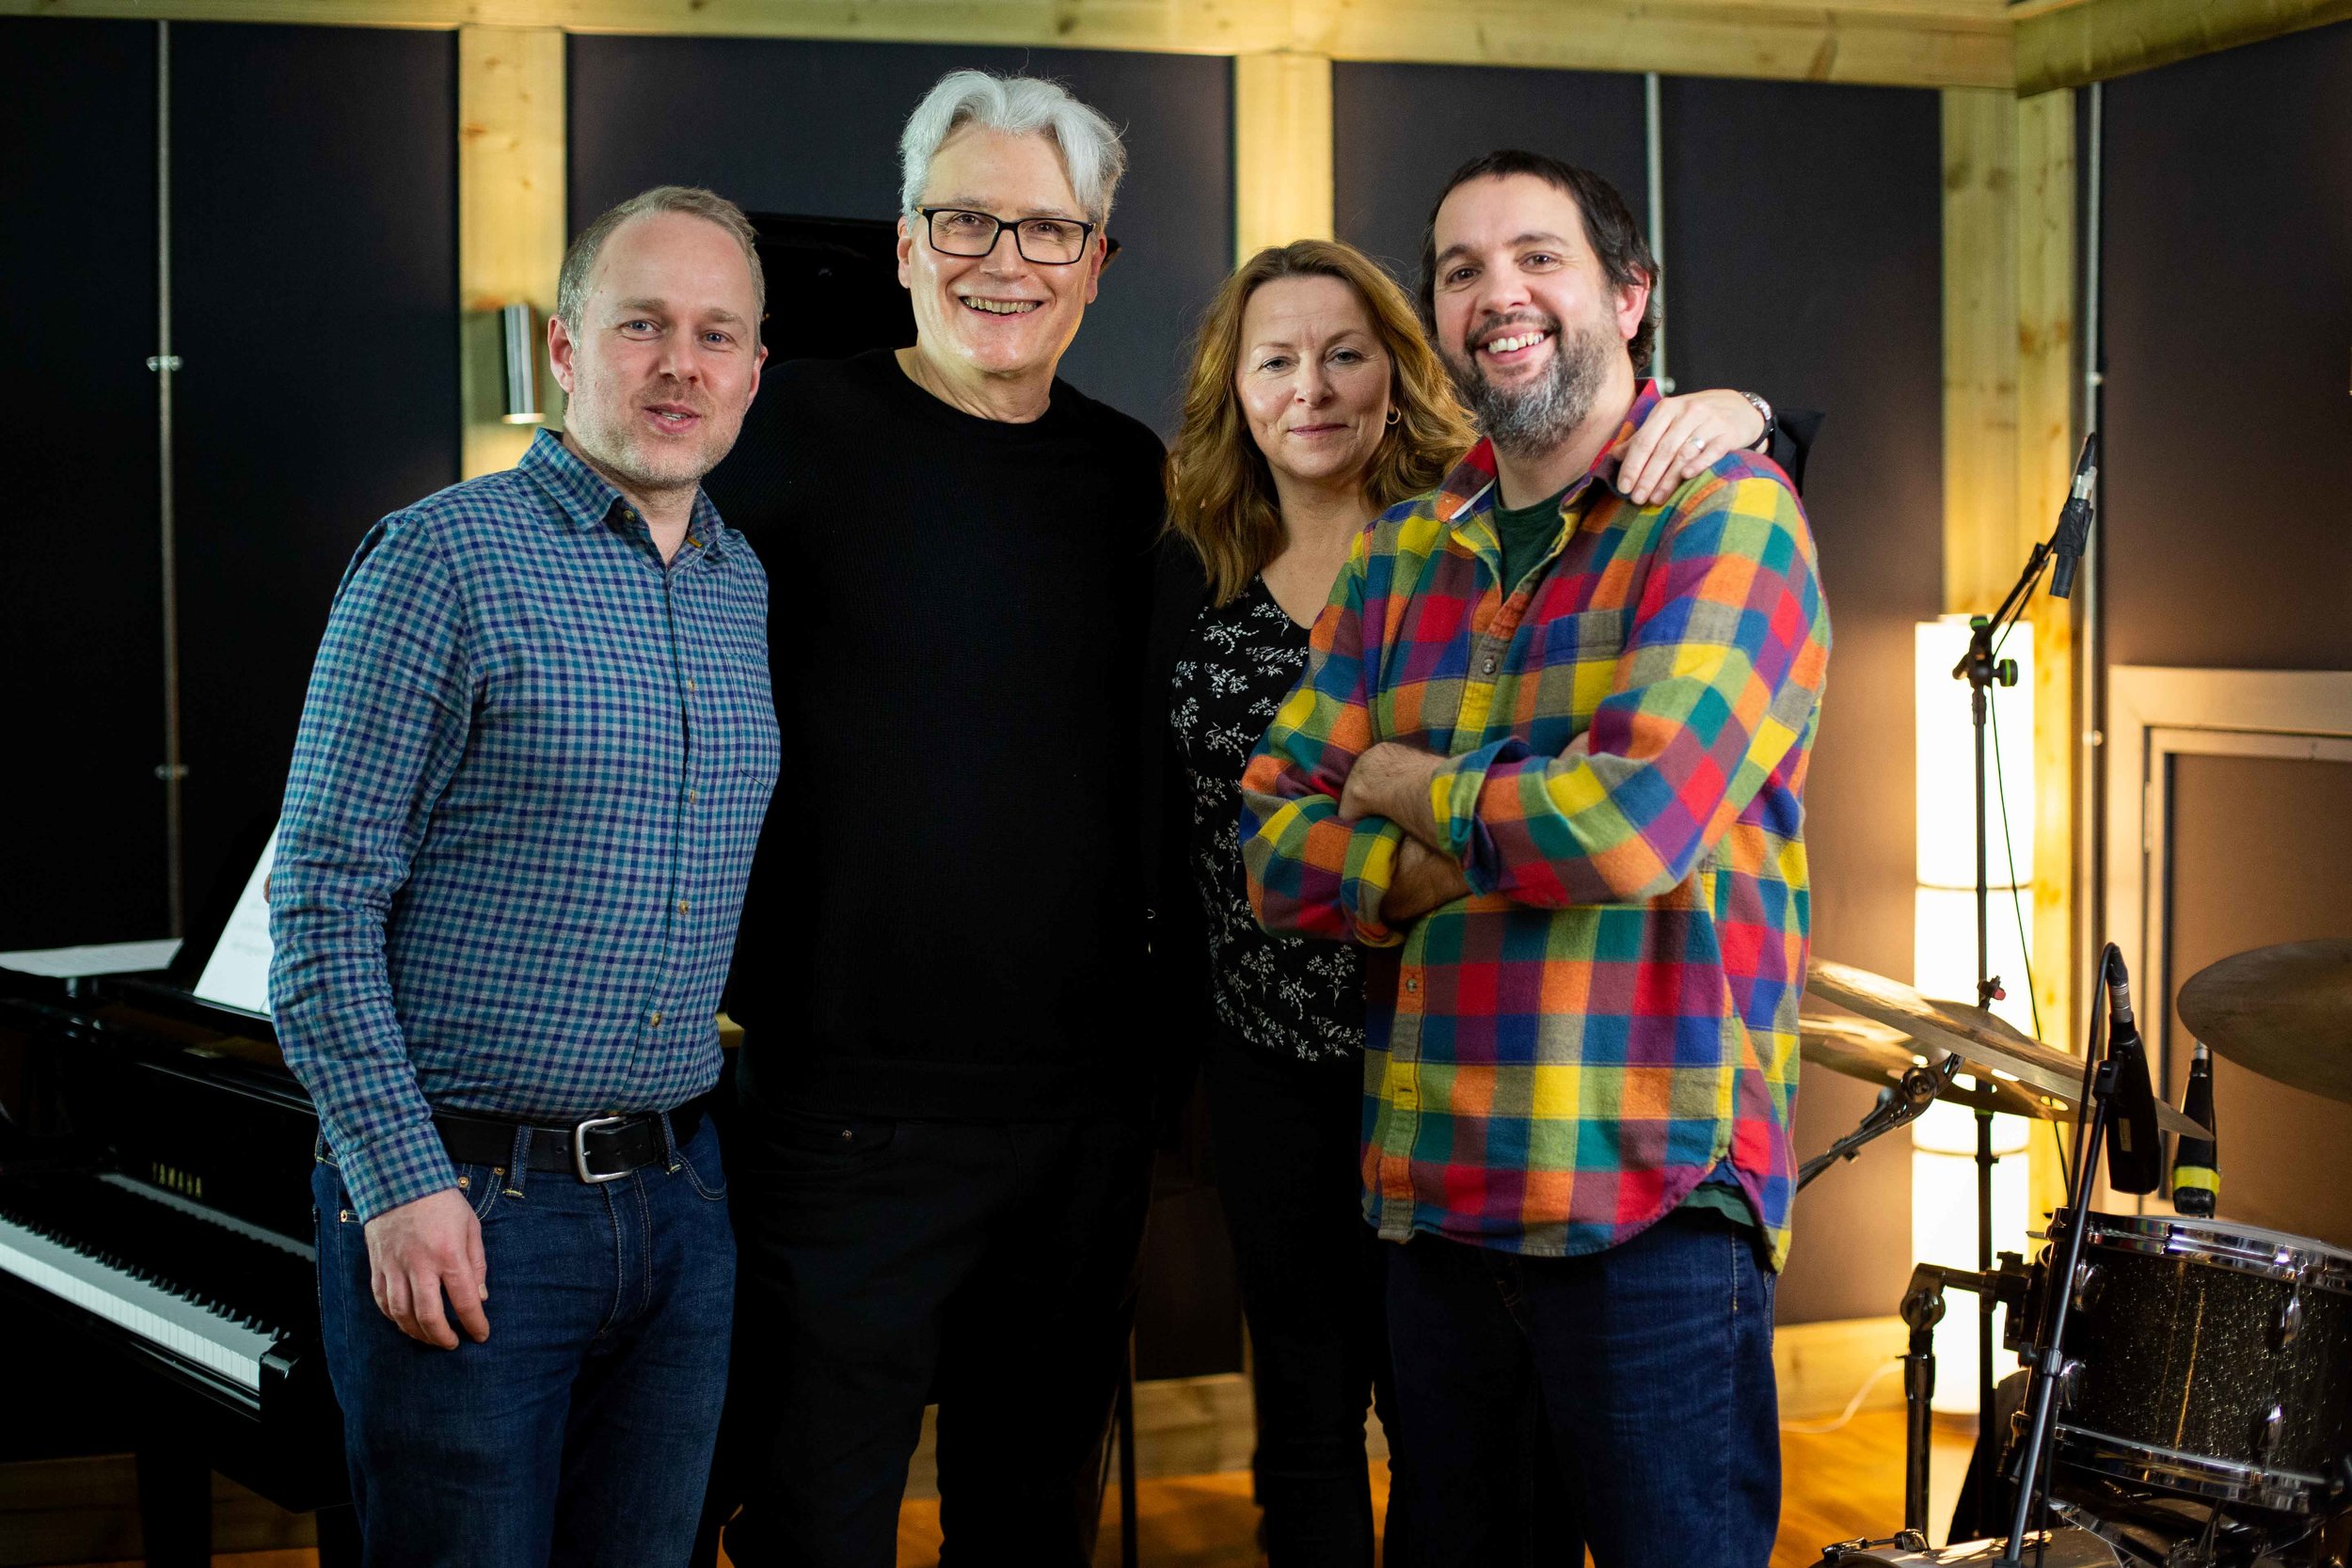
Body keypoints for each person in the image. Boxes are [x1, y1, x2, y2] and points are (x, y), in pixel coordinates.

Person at [1155, 236, 1796, 1565]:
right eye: (1277, 361)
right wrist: (1486, 840)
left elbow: (1629, 813)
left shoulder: (1461, 536)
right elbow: (1259, 847)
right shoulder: (1199, 570)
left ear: (1401, 370)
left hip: (1478, 1067)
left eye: (1345, 355)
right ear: (1237, 388)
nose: (1313, 389)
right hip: (1278, 1054)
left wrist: (1756, 415)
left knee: (1517, 1456)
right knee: (1323, 1428)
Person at [268, 184, 776, 1565]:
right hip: (471, 1202)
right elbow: (312, 911)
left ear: (752, 371)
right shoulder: (437, 561)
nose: (681, 364)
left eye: (716, 334)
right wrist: (396, 1180)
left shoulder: (743, 588)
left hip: (683, 1204)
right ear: (564, 349)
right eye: (643, 325)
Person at [713, 71, 1167, 1567]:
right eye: (966, 218)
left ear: (1098, 261)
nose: (1005, 261)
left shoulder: (1134, 475)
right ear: (904, 243)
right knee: (810, 1528)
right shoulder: (774, 436)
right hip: (842, 1117)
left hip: (1081, 1119)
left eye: (1049, 230)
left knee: (1031, 1528)